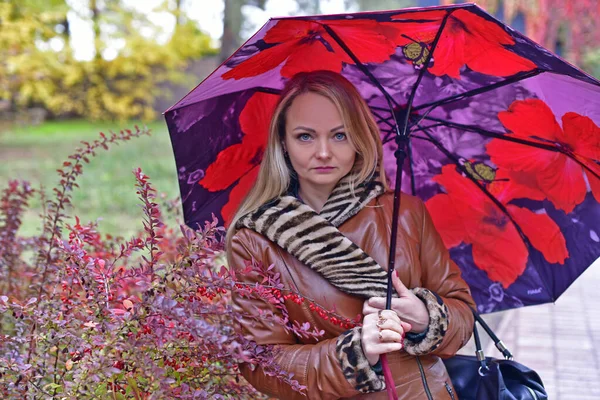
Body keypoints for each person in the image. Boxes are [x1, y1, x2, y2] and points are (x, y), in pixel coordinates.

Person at [226, 70, 475, 399]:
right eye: (305, 136)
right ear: (283, 143)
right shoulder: (255, 240)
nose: (324, 152)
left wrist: (427, 317)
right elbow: (260, 363)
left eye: (340, 135)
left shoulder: (406, 213)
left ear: (359, 137)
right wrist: (356, 352)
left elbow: (463, 314)